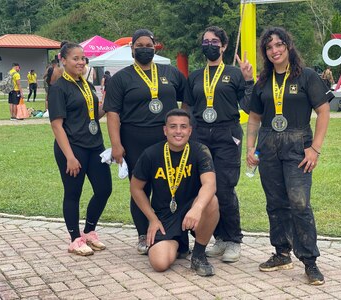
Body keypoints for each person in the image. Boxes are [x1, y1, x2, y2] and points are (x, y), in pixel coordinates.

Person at [246, 27, 333, 285]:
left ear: (288, 46)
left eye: (279, 45)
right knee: (275, 203)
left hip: (298, 144)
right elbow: (254, 117)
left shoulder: (306, 76)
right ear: (266, 52)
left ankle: (310, 261)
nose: (275, 50)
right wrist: (250, 148)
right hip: (268, 145)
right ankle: (282, 253)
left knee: (300, 204)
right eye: (269, 47)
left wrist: (314, 148)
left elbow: (324, 111)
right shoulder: (263, 81)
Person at [103, 29, 187, 255]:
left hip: (168, 140)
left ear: (155, 46)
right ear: (131, 49)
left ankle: (172, 231)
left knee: (172, 185)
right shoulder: (121, 78)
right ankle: (143, 233)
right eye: (139, 45)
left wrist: (184, 128)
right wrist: (116, 144)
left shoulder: (170, 72)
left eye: (148, 45)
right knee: (140, 186)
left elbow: (187, 99)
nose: (144, 49)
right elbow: (112, 113)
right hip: (134, 140)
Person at [182, 26, 254, 263]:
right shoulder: (194, 75)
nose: (209, 45)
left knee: (223, 188)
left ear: (223, 46)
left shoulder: (234, 73)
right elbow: (188, 109)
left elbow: (249, 106)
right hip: (200, 135)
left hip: (227, 134)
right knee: (204, 188)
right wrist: (184, 134)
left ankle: (233, 239)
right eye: (206, 41)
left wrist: (249, 80)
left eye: (214, 41)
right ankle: (219, 238)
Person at [130, 109, 219, 276]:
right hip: (165, 216)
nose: (178, 131)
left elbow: (210, 184)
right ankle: (179, 244)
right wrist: (152, 219)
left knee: (211, 201)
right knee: (159, 263)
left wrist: (197, 208)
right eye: (173, 127)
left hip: (192, 211)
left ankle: (199, 256)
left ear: (190, 130)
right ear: (165, 130)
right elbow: (135, 188)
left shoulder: (200, 150)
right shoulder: (151, 154)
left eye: (183, 127)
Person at [48, 41, 112, 256]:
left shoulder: (85, 84)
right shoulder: (59, 87)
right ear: (63, 60)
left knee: (104, 189)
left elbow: (95, 115)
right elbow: (56, 125)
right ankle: (75, 239)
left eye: (82, 58)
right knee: (73, 193)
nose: (80, 62)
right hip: (73, 148)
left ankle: (89, 231)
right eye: (75, 58)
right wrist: (70, 157)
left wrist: (109, 103)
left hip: (95, 146)